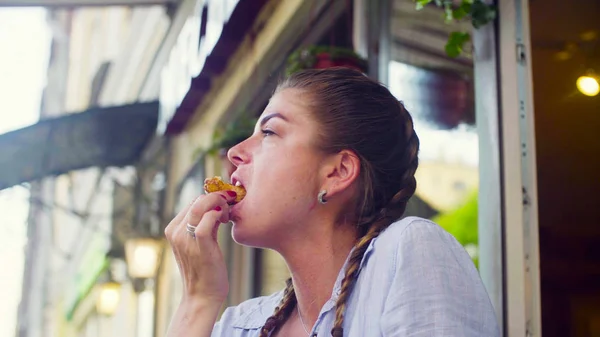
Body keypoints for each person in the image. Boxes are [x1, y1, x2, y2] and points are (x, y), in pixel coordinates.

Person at [164, 68, 500, 337]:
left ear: (338, 172)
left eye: (269, 133)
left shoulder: (408, 253)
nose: (235, 153)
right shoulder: (240, 326)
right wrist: (198, 300)